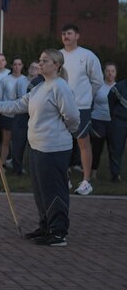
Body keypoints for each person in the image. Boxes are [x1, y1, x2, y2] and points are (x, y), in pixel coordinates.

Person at [0, 49, 79, 247]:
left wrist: (63, 131)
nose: (40, 64)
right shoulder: (39, 88)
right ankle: (46, 225)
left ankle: (58, 231)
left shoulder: (60, 87)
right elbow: (18, 105)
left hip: (54, 148)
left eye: (45, 61)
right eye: (40, 60)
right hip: (37, 147)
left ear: (57, 66)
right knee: (40, 190)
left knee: (54, 189)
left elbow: (72, 117)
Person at [60, 24, 103, 195]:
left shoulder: (87, 56)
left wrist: (86, 97)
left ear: (77, 36)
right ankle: (65, 178)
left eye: (69, 33)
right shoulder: (58, 55)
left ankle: (86, 181)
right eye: (63, 34)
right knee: (61, 143)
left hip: (81, 107)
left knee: (83, 142)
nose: (66, 36)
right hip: (61, 107)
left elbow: (97, 81)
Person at [10, 60, 39, 175]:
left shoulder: (41, 83)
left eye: (36, 68)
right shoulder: (20, 81)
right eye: (32, 67)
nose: (33, 69)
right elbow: (14, 98)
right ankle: (17, 169)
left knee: (34, 144)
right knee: (18, 143)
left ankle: (34, 168)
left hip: (34, 116)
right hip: (20, 115)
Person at [89, 63, 116, 181]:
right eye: (108, 71)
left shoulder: (118, 87)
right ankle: (93, 173)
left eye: (112, 71)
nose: (110, 73)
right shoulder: (98, 86)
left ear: (116, 73)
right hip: (97, 121)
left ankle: (115, 174)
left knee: (113, 149)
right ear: (104, 72)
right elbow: (89, 101)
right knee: (96, 149)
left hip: (113, 123)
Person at [0, 56, 26, 169]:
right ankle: (2, 164)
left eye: (19, 64)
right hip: (8, 114)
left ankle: (17, 164)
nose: (17, 67)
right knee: (6, 140)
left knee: (19, 141)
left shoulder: (25, 79)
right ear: (11, 66)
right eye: (15, 64)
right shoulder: (5, 79)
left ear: (22, 66)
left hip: (20, 114)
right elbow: (0, 96)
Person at [108, 77, 127, 183]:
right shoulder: (119, 87)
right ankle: (115, 175)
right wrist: (116, 114)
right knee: (116, 148)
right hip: (119, 121)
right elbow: (111, 99)